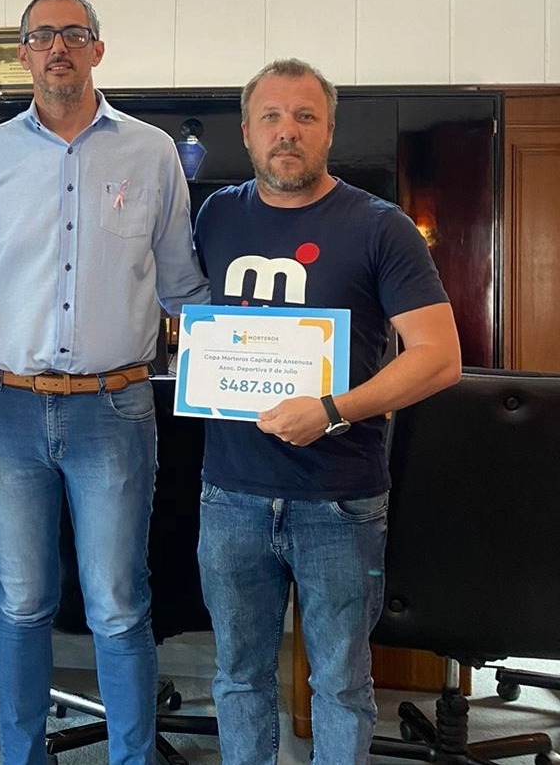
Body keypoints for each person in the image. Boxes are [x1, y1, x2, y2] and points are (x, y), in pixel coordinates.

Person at [0, 0, 210, 765]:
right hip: (3, 411)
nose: (58, 47)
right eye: (42, 35)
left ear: (98, 48)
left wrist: (253, 354)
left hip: (112, 411)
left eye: (74, 33)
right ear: (22, 54)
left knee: (119, 604)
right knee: (22, 600)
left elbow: (182, 287)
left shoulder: (151, 152)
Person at [193, 58, 462, 765]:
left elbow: (440, 356)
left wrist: (332, 410)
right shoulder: (216, 215)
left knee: (341, 685)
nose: (288, 131)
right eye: (271, 117)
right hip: (231, 494)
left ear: (329, 131)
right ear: (247, 132)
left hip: (339, 500)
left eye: (305, 117)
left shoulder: (381, 226)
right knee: (237, 678)